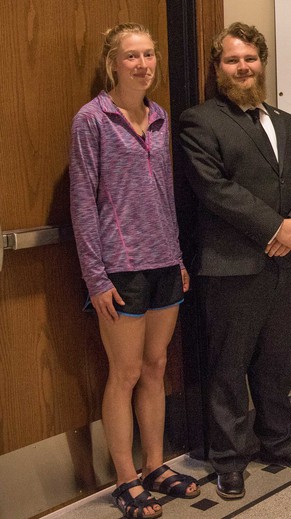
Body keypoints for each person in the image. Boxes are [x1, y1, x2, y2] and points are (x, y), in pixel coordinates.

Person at [178, 22, 291, 500]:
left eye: (250, 59)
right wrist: (275, 228)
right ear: (218, 67)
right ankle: (229, 459)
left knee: (276, 362)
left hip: (283, 264)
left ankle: (279, 442)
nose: (243, 68)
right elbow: (216, 189)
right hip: (231, 266)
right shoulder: (200, 121)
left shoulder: (286, 121)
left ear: (262, 62)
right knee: (228, 367)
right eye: (232, 60)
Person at [69, 23, 200, 519]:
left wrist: (179, 256)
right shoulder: (92, 120)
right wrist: (95, 277)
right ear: (113, 63)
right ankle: (125, 479)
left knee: (156, 368)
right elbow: (82, 201)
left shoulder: (161, 116)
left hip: (165, 263)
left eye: (148, 55)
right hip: (119, 270)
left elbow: (164, 196)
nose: (142, 64)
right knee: (123, 373)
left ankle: (155, 466)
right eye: (132, 56)